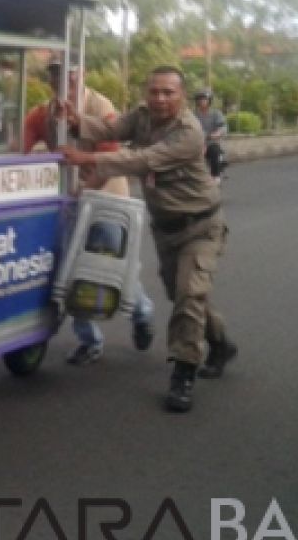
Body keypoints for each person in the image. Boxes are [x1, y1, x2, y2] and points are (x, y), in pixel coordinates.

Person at [59, 65, 237, 413]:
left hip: (201, 225)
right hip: (166, 227)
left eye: (168, 92)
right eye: (154, 91)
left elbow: (142, 159)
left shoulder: (189, 132)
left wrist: (89, 158)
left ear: (182, 96)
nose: (159, 99)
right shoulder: (141, 118)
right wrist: (78, 122)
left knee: (189, 294)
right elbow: (111, 127)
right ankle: (219, 342)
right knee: (183, 295)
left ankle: (183, 373)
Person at [24, 62, 155, 365]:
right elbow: (22, 148)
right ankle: (89, 339)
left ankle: (142, 313)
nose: (63, 81)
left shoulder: (100, 106)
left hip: (107, 198)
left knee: (113, 266)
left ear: (81, 75)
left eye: (69, 75)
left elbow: (109, 159)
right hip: (68, 201)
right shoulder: (41, 113)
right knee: (71, 268)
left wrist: (83, 190)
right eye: (56, 76)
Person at [193, 90, 228, 184]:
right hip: (196, 143)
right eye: (200, 99)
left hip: (211, 142)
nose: (202, 101)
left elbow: (222, 126)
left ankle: (215, 175)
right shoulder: (193, 115)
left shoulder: (216, 113)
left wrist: (218, 133)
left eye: (204, 99)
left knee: (214, 151)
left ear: (209, 101)